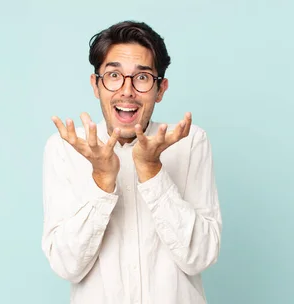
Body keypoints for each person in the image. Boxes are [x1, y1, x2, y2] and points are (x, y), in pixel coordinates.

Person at [41, 20, 222, 304]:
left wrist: (152, 172)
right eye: (114, 75)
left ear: (160, 89)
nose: (127, 91)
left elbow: (201, 256)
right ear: (95, 85)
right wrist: (102, 181)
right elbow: (66, 266)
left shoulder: (189, 142)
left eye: (142, 78)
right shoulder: (64, 149)